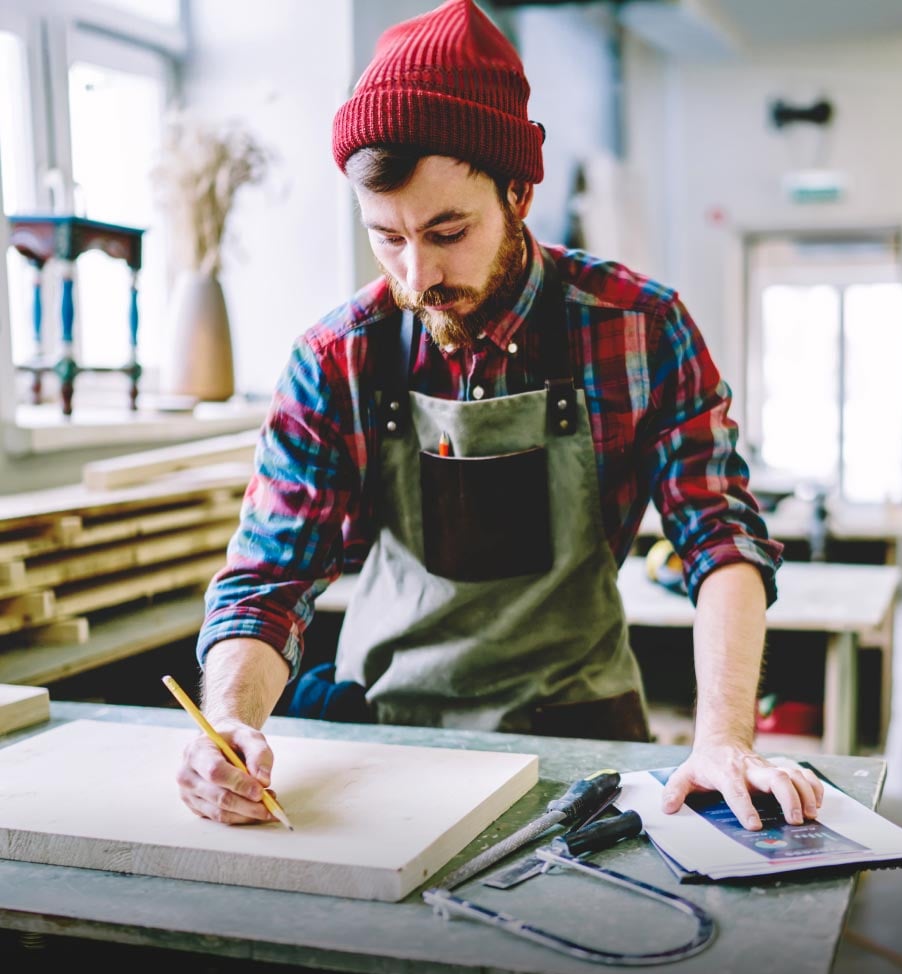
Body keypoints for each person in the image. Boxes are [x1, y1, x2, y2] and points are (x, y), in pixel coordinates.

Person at [176, 0, 823, 833]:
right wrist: (230, 721)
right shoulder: (338, 358)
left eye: (448, 230)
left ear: (518, 190)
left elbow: (722, 537)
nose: (419, 273)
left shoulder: (637, 327)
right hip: (384, 740)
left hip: (582, 742)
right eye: (387, 237)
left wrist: (725, 741)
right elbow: (270, 578)